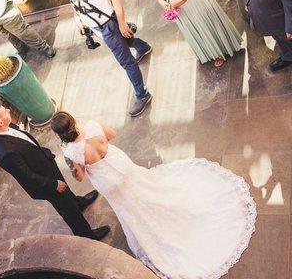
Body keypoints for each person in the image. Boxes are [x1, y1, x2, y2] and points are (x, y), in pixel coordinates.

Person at [50, 111, 256, 279]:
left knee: (130, 208)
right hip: (123, 167)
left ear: (60, 134)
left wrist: (74, 160)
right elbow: (111, 135)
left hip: (109, 184)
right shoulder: (93, 126)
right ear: (73, 121)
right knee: (146, 188)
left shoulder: (70, 153)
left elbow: (80, 176)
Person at [0, 102, 109, 240]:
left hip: (45, 165)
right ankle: (86, 234)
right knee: (67, 209)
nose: (8, 110)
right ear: (0, 122)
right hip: (44, 182)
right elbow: (27, 177)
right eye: (5, 111)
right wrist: (53, 184)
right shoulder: (5, 152)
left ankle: (78, 203)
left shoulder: (0, 127)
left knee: (68, 196)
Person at [48, 0, 153, 117]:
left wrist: (122, 23)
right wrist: (78, 19)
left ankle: (142, 94)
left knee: (126, 61)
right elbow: (74, 2)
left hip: (109, 25)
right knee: (124, 41)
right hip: (97, 27)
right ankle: (143, 47)